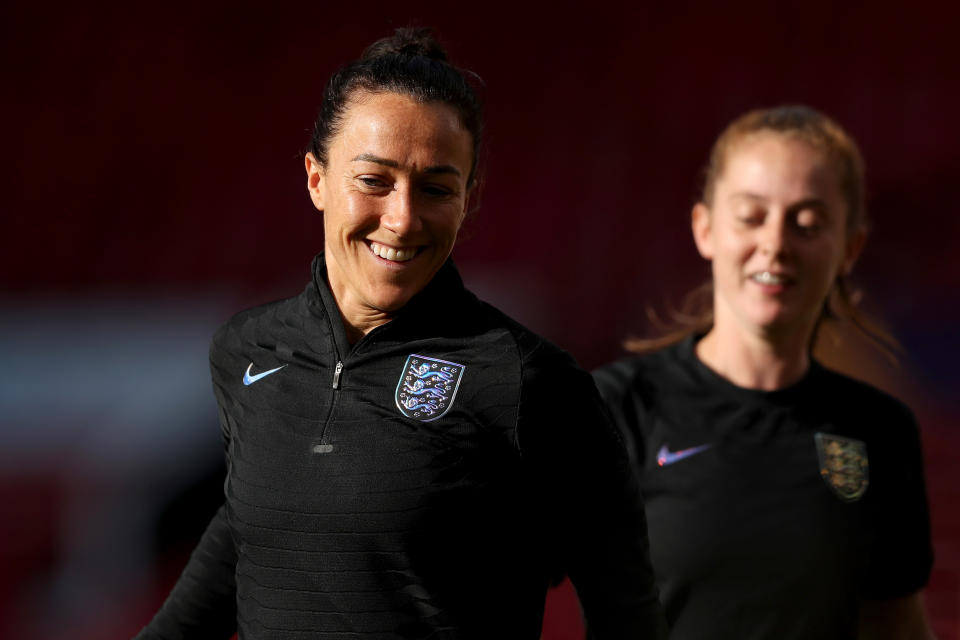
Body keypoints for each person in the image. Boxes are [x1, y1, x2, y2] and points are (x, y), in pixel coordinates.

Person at [135, 28, 666, 640]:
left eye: (436, 188)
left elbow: (627, 609)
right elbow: (245, 534)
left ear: (469, 198)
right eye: (373, 180)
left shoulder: (527, 379)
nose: (403, 217)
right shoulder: (245, 350)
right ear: (316, 178)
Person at [593, 106, 934, 639]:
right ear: (704, 229)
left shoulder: (880, 431)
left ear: (850, 248)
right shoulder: (612, 407)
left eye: (807, 222)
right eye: (751, 216)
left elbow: (895, 626)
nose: (775, 244)